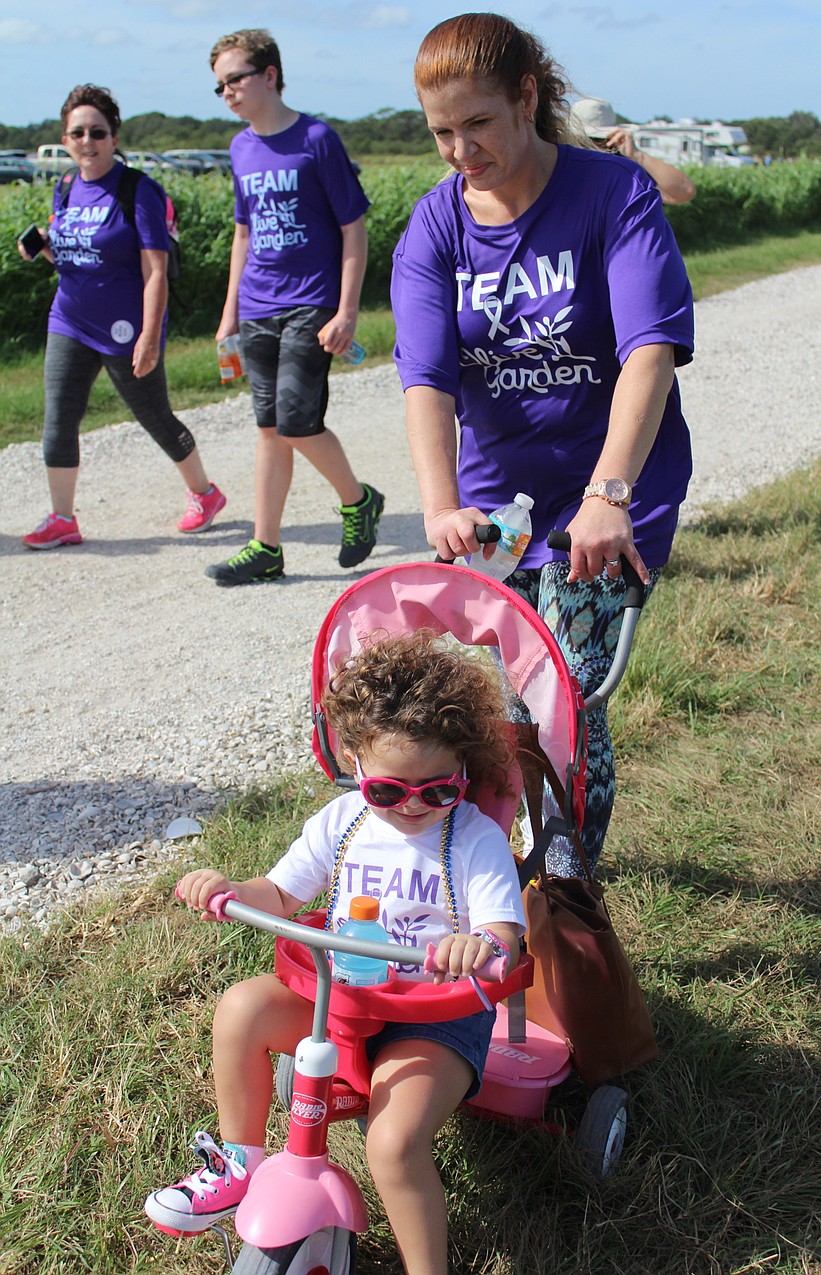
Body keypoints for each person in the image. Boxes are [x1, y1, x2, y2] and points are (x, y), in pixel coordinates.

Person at [391, 14, 695, 877]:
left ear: (527, 97)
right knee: (511, 699)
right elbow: (427, 381)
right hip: (501, 507)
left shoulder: (612, 194)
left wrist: (610, 495)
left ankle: (563, 890)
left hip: (610, 492)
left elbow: (650, 349)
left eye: (477, 123)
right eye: (442, 131)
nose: (460, 149)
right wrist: (441, 503)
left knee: (564, 689)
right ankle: (507, 871)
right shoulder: (436, 227)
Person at [144, 630, 525, 1275]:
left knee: (394, 1142)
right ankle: (239, 1160)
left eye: (437, 790)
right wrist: (233, 890)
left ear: (464, 770)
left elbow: (504, 935)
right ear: (354, 763)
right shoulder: (341, 822)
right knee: (243, 1008)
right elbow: (279, 893)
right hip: (343, 997)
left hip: (434, 1018)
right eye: (388, 791)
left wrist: (477, 944)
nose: (412, 806)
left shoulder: (474, 840)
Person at [204, 28, 384, 587]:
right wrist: (230, 310)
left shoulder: (317, 139)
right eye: (219, 86)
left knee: (298, 422)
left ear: (270, 76)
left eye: (236, 79)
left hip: (312, 304)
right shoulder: (239, 147)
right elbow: (243, 232)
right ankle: (266, 547)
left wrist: (347, 310)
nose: (228, 91)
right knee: (268, 429)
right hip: (257, 304)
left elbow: (353, 229)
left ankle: (358, 503)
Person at [17, 84, 225, 550]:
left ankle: (205, 494)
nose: (86, 141)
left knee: (154, 415)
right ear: (64, 138)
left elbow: (155, 273)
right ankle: (62, 517)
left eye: (97, 132)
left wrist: (150, 336)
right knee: (58, 419)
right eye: (77, 133)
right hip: (68, 318)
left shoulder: (138, 191)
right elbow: (78, 257)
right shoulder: (66, 186)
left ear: (114, 137)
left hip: (126, 328)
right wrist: (46, 250)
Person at [572, 97, 697, 206]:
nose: (590, 146)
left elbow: (685, 191)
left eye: (598, 139)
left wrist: (637, 155)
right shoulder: (560, 166)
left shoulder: (624, 171)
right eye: (583, 139)